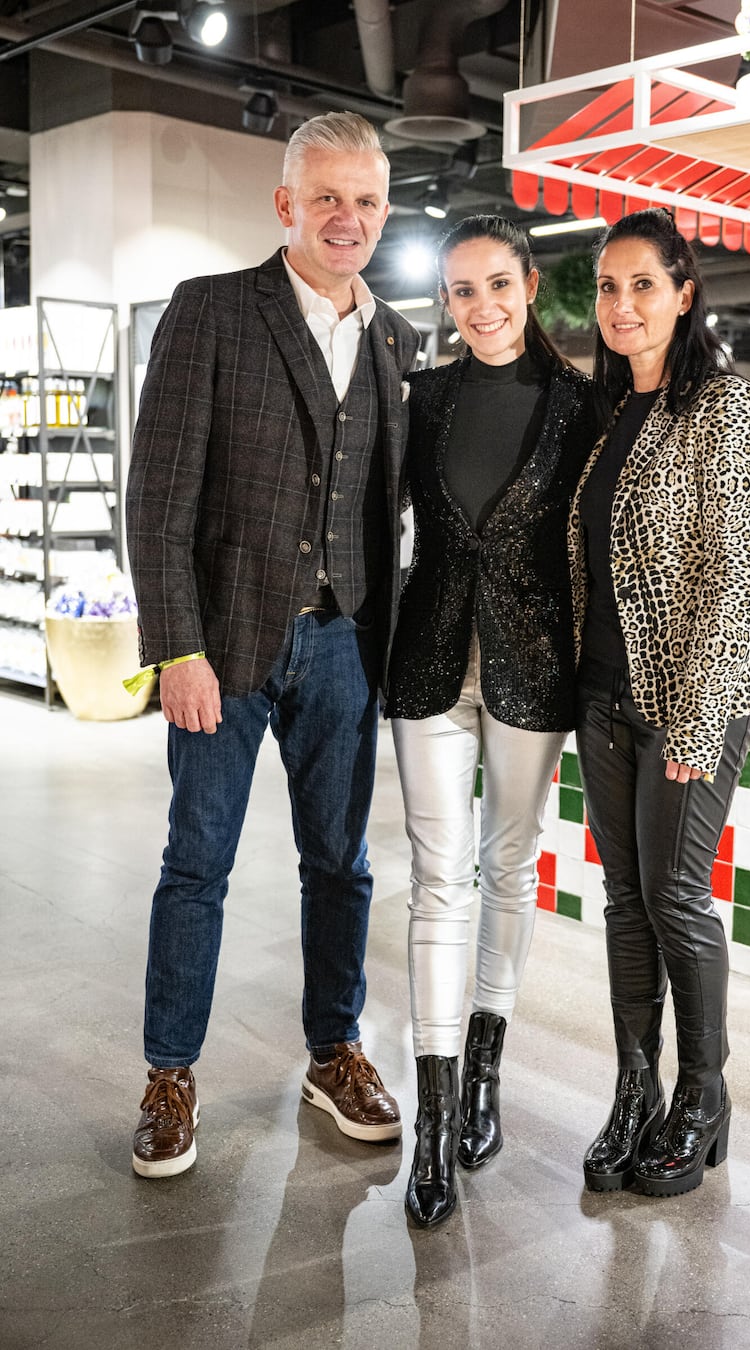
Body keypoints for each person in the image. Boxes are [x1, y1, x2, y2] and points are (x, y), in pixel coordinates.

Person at [125, 112, 421, 1179]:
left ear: (385, 214)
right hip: (228, 642)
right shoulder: (210, 312)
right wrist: (176, 648)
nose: (350, 219)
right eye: (329, 198)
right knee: (195, 863)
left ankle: (333, 1051)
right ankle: (169, 1073)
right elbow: (157, 499)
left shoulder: (394, 338)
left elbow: (390, 507)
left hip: (346, 644)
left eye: (369, 201)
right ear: (287, 203)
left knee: (340, 865)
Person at [569, 208, 750, 1198]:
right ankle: (633, 1090)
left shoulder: (727, 409)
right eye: (609, 288)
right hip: (605, 693)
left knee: (673, 895)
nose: (623, 305)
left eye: (643, 285)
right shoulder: (613, 412)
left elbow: (732, 575)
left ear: (684, 291)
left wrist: (696, 723)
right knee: (623, 900)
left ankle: (704, 1095)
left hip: (693, 694)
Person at [385, 215, 597, 1227]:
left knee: (509, 871)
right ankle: (429, 1128)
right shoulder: (418, 400)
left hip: (534, 667)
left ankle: (484, 1077)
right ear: (448, 302)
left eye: (497, 285)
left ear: (529, 286)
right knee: (437, 880)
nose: (481, 307)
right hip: (427, 659)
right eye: (462, 290)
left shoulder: (579, 405)